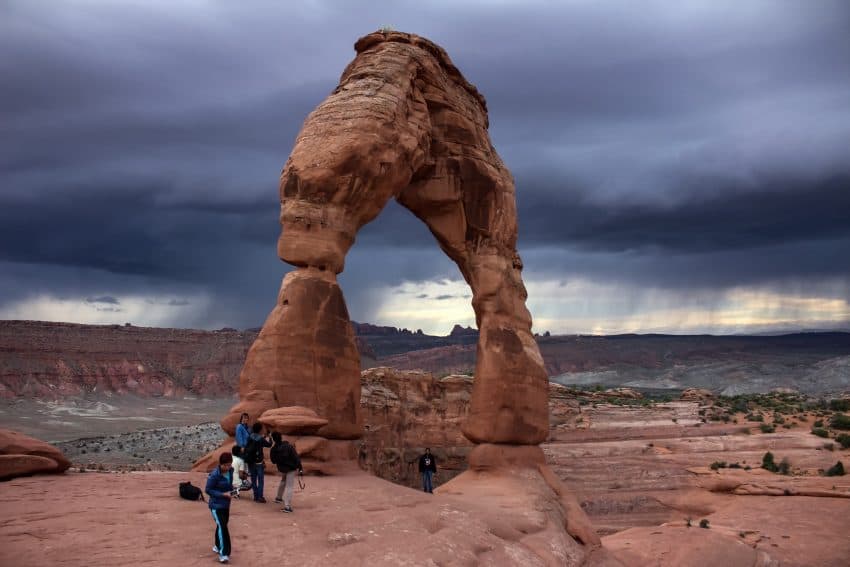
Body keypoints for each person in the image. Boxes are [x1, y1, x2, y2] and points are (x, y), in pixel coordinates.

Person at [206, 452, 233, 564]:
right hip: (216, 506)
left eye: (229, 464)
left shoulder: (231, 471)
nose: (227, 467)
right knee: (223, 527)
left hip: (226, 504)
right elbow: (208, 490)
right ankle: (224, 553)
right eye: (225, 465)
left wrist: (233, 488)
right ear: (220, 464)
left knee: (222, 525)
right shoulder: (214, 475)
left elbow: (228, 484)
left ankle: (217, 546)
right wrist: (222, 494)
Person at [269, 431, 303, 513]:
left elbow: (273, 461)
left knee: (283, 481)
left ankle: (278, 498)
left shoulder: (273, 449)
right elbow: (296, 457)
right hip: (291, 468)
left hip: (282, 468)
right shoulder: (288, 446)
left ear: (273, 439)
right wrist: (300, 467)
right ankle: (287, 506)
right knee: (289, 486)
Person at [245, 422, 272, 503]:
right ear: (260, 430)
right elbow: (269, 445)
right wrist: (269, 437)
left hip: (250, 461)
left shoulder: (250, 437)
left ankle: (255, 496)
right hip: (259, 462)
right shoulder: (261, 439)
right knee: (260, 480)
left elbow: (248, 446)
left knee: (253, 480)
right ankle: (260, 497)